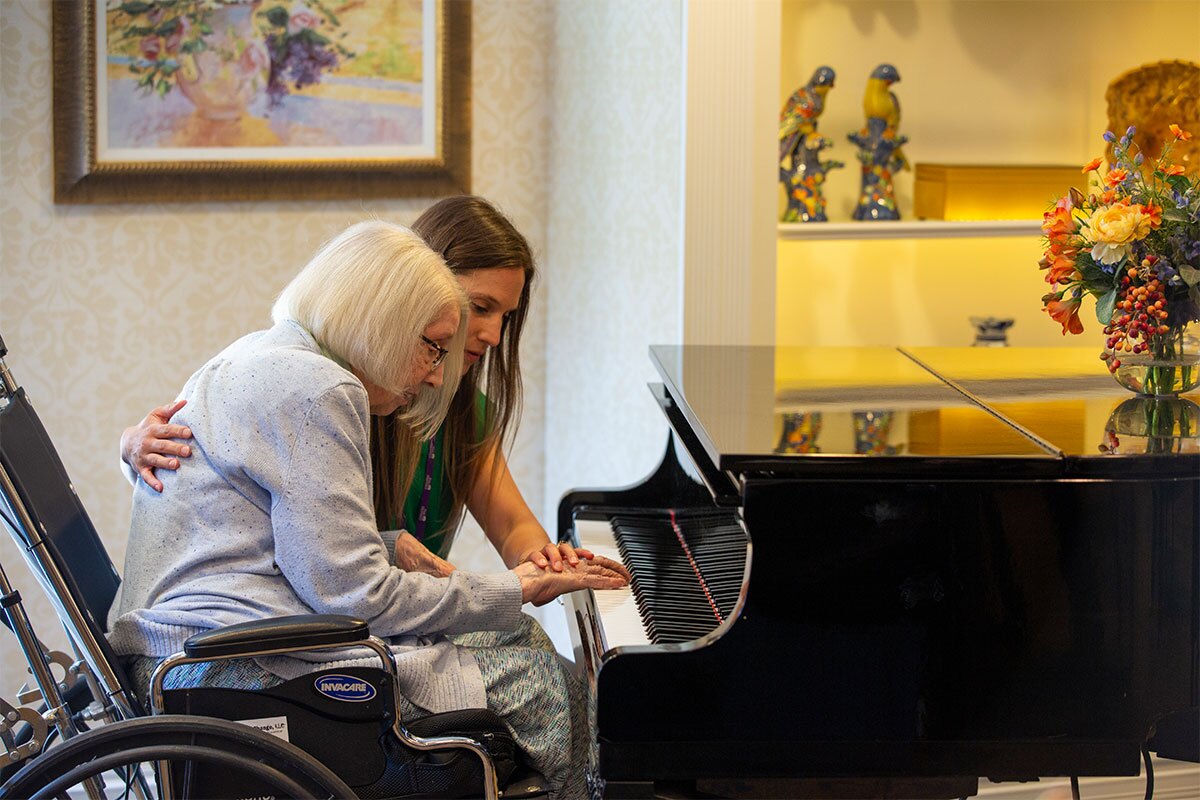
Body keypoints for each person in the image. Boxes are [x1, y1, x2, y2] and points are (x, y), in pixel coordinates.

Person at [107, 220, 630, 800]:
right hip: (229, 665)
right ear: (383, 322)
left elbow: (267, 535)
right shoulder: (319, 391)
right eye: (432, 347)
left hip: (200, 640)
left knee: (524, 640)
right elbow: (355, 597)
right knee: (551, 683)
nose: (436, 373)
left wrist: (385, 543)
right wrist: (512, 589)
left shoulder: (266, 352)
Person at [122, 196, 576, 580]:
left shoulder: (466, 412)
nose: (495, 336)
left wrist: (544, 562)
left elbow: (514, 524)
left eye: (507, 317)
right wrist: (130, 447)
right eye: (480, 307)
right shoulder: (321, 391)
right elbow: (207, 480)